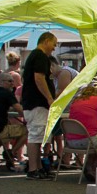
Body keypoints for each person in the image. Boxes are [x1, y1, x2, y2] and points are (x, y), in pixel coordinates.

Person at [21, 32, 59, 179]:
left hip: (34, 103)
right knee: (35, 135)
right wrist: (49, 98)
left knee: (38, 136)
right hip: (36, 103)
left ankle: (37, 167)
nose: (54, 48)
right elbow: (39, 78)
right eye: (54, 44)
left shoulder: (35, 56)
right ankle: (33, 169)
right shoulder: (40, 56)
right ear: (46, 41)